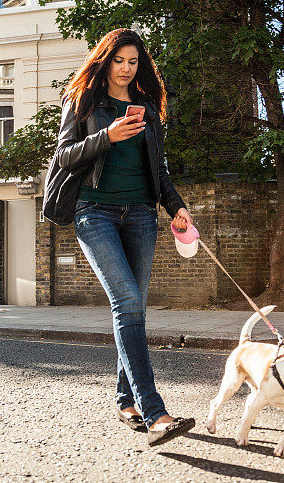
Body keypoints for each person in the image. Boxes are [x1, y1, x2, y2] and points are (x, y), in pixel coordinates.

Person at [53, 28, 195, 446]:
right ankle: (156, 413)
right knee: (127, 302)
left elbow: (160, 169)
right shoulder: (84, 102)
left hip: (140, 216)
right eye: (119, 60)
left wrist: (177, 206)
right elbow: (63, 156)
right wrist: (107, 136)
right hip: (93, 212)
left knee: (133, 310)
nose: (126, 69)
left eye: (133, 62)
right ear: (105, 60)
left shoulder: (149, 107)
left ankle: (126, 401)